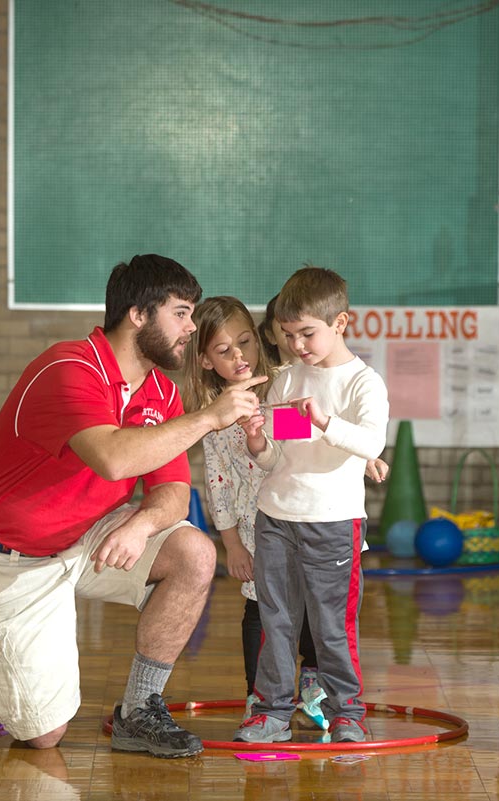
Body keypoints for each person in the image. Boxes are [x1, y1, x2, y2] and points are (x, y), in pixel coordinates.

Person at [0, 254, 264, 756]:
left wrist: (142, 524)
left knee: (195, 553)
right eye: (181, 313)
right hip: (11, 555)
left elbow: (174, 494)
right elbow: (114, 459)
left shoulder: (162, 389)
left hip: (91, 534)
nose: (191, 329)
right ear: (138, 314)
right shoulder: (67, 366)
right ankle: (4, 645)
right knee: (44, 735)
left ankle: (139, 710)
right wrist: (210, 418)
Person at [234, 266, 389, 744]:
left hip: (333, 523)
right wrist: (258, 443)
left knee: (331, 627)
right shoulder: (286, 380)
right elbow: (279, 456)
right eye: (288, 334)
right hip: (276, 517)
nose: (297, 344)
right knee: (276, 619)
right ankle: (272, 712)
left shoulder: (363, 383)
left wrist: (325, 421)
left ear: (340, 324)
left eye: (307, 333)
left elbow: (370, 442)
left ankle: (347, 715)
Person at [185, 296, 328, 728]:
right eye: (224, 351)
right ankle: (259, 696)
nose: (239, 356)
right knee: (260, 612)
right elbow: (219, 487)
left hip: (302, 518)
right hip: (253, 532)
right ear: (207, 361)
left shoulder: (283, 389)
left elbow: (297, 455)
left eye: (244, 342)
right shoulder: (214, 417)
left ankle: (312, 686)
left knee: (314, 609)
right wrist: (231, 545)